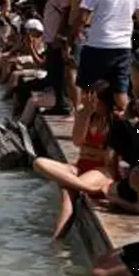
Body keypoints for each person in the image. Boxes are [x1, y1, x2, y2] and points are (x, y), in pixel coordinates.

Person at [31, 84, 117, 238]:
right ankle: (92, 189)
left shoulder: (115, 120)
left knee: (68, 190)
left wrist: (90, 150)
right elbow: (78, 141)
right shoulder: (84, 114)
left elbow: (108, 157)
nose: (92, 104)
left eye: (95, 101)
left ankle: (57, 239)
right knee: (39, 163)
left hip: (103, 170)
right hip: (80, 166)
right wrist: (85, 114)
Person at [71, 0, 139, 118]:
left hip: (97, 45)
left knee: (89, 89)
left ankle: (90, 127)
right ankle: (136, 127)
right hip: (122, 47)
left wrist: (76, 34)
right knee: (120, 91)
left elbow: (83, 16)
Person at [38, 0, 73, 117]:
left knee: (58, 72)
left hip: (56, 38)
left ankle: (62, 104)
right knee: (54, 72)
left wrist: (59, 35)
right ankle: (59, 102)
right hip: (51, 36)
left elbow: (66, 12)